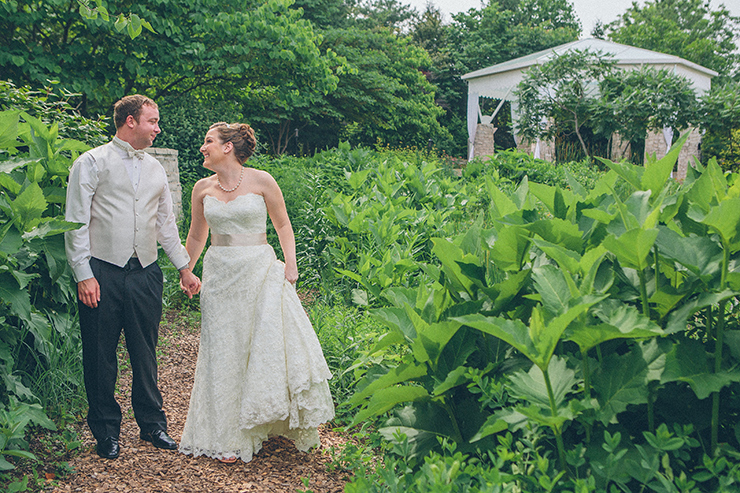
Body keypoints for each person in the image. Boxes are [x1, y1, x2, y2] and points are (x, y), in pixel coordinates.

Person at [178, 122, 334, 464]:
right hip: (219, 276)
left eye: (208, 141)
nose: (202, 147)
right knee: (223, 350)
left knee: (261, 347)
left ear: (228, 146)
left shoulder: (263, 180)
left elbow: (283, 224)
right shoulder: (202, 188)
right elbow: (196, 235)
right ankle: (227, 436)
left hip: (259, 271)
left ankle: (266, 420)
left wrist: (290, 265)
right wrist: (186, 269)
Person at [65, 94, 201, 460]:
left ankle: (152, 425)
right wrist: (83, 273)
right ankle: (106, 431)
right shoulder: (91, 162)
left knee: (145, 352)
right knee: (100, 355)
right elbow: (75, 222)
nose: (158, 128)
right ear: (130, 121)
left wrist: (184, 267)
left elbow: (165, 224)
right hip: (101, 272)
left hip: (146, 273)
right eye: (152, 121)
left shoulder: (155, 168)